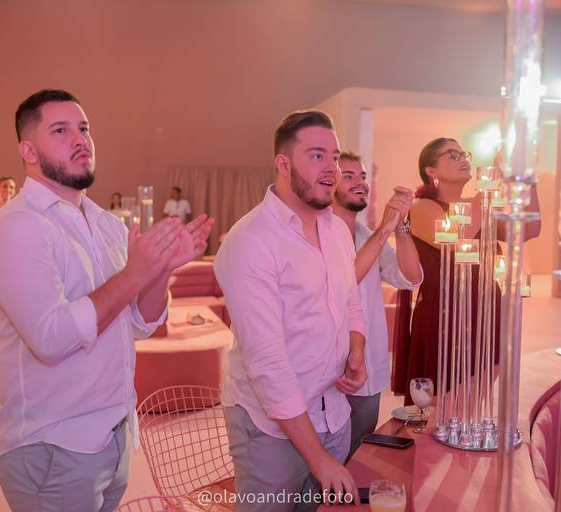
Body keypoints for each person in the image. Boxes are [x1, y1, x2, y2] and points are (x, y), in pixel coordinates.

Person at [0, 89, 213, 512]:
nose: (80, 139)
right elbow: (51, 338)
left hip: (113, 434)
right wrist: (135, 273)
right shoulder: (17, 226)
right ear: (28, 151)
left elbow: (140, 323)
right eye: (60, 130)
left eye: (84, 128)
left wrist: (161, 270)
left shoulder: (106, 224)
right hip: (53, 442)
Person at [215, 110, 367, 511]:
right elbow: (267, 363)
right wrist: (318, 458)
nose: (332, 168)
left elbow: (350, 301)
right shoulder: (251, 241)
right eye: (316, 155)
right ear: (283, 164)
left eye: (334, 156)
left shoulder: (337, 230)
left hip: (334, 413)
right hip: (271, 431)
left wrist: (356, 351)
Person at [392, 137, 540, 397]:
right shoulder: (422, 206)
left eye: (463, 154)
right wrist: (493, 178)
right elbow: (459, 237)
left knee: (475, 398)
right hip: (445, 316)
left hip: (484, 310)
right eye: (452, 155)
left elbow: (529, 228)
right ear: (431, 170)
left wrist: (528, 177)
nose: (462, 159)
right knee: (441, 399)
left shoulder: (478, 206)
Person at [330, 150, 423, 458]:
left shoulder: (366, 234)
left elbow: (411, 278)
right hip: (330, 370)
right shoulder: (319, 233)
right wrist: (385, 228)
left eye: (362, 176)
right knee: (324, 460)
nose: (361, 183)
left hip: (367, 364)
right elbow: (343, 283)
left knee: (357, 456)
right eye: (348, 176)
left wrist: (400, 226)